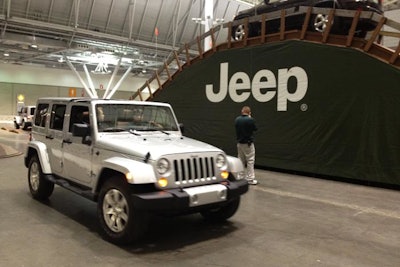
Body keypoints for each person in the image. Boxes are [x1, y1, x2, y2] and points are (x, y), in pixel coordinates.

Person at [235, 106, 258, 185]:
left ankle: (240, 177)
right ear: (249, 113)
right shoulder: (251, 120)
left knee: (240, 160)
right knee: (250, 160)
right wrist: (250, 118)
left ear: (242, 112)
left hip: (239, 143)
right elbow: (255, 129)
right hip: (248, 143)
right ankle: (250, 179)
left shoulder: (237, 119)